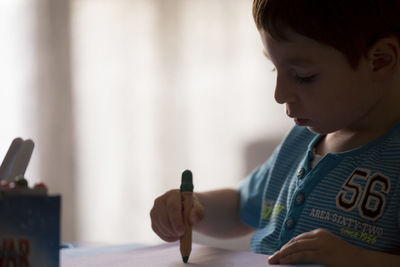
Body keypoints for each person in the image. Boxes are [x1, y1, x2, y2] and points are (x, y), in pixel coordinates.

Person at [150, 1, 400, 266]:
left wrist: (359, 259)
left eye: (303, 76)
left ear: (380, 61)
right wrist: (193, 207)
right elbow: (240, 208)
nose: (279, 94)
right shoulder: (301, 138)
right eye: (275, 68)